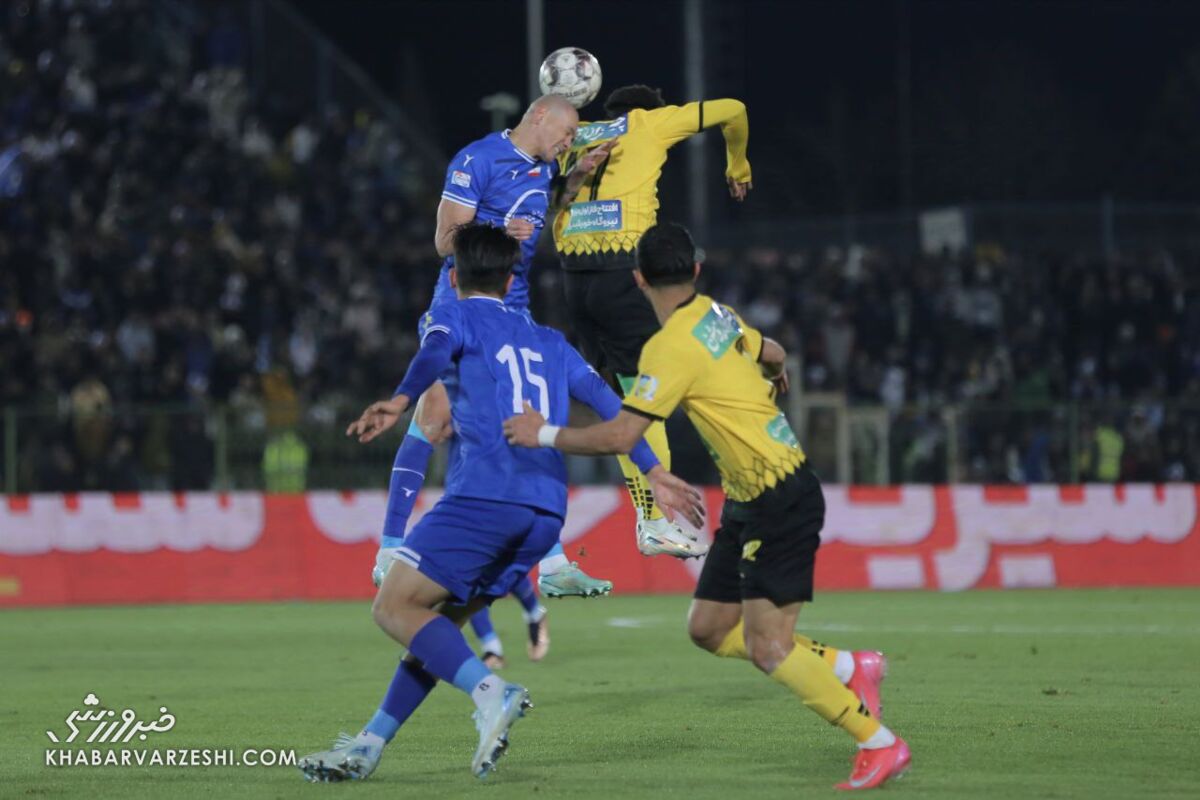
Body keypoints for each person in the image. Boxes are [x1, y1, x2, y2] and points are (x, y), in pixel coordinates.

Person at [504, 223, 910, 791]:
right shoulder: (718, 315)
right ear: (694, 271)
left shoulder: (667, 348)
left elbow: (622, 435)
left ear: (638, 278)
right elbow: (773, 350)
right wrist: (771, 372)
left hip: (779, 494)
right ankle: (850, 667)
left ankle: (878, 743)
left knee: (770, 646)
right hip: (749, 497)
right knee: (709, 628)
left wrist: (541, 433)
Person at [298, 224, 704, 783]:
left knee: (393, 608)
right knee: (435, 633)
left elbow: (434, 350)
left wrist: (399, 400)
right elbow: (617, 408)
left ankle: (491, 693)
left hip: (485, 497)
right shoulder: (552, 342)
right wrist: (655, 471)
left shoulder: (454, 316)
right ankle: (369, 744)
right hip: (543, 514)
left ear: (454, 275)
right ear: (513, 279)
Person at [374, 95, 615, 656]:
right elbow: (444, 241)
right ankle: (389, 546)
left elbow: (545, 208)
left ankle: (551, 562)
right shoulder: (475, 160)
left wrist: (574, 178)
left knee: (527, 422)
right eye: (567, 129)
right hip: (461, 299)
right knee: (435, 416)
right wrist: (500, 229)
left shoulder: (547, 167)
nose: (569, 139)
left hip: (514, 308)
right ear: (537, 115)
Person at [550, 85, 753, 560]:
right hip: (622, 272)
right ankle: (657, 519)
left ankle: (649, 519)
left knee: (622, 403)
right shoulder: (649, 123)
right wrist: (737, 164)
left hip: (572, 281)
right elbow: (735, 109)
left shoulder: (575, 133)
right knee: (646, 398)